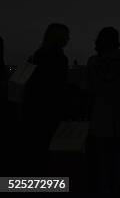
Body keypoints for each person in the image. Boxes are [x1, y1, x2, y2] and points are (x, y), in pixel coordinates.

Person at [86, 27, 120, 193]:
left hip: (100, 117)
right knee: (119, 161)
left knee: (102, 163)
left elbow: (90, 89)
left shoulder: (93, 62)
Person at [22, 23, 70, 174]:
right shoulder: (60, 58)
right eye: (66, 36)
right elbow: (59, 86)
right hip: (50, 110)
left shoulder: (38, 55)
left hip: (34, 109)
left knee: (36, 151)